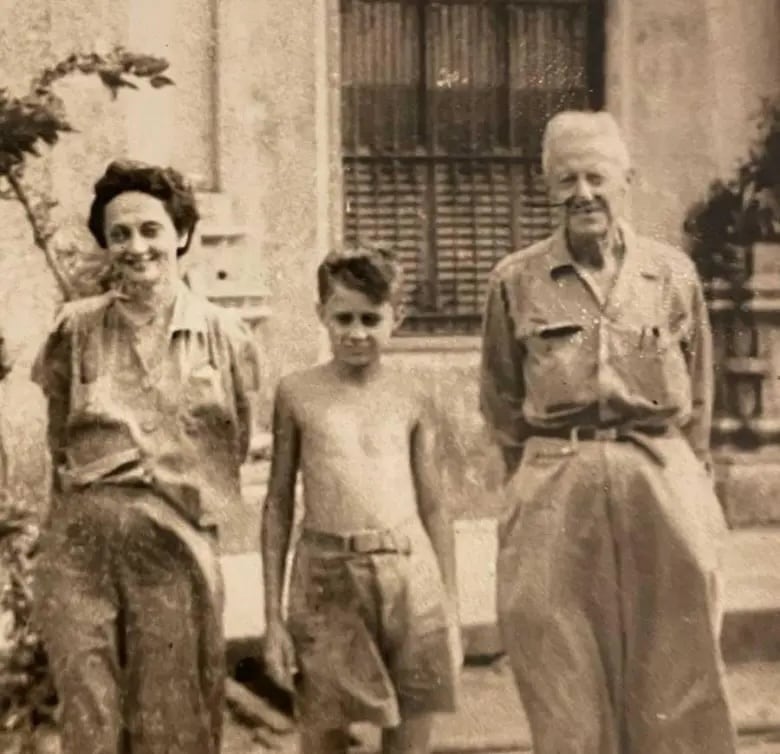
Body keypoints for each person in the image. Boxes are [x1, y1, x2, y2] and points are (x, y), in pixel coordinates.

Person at [479, 111, 737, 754]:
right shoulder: (516, 280)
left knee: (677, 669)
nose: (583, 193)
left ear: (628, 180)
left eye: (596, 177)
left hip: (659, 479)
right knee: (559, 669)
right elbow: (502, 400)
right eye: (566, 179)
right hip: (557, 484)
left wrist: (689, 488)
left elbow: (698, 395)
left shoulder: (672, 275)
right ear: (547, 187)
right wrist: (536, 484)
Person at [30, 160, 258, 754]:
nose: (136, 247)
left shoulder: (225, 334)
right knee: (90, 714)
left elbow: (233, 441)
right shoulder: (75, 330)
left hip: (175, 546)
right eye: (120, 233)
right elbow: (57, 439)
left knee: (173, 719)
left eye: (151, 230)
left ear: (181, 233)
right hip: (83, 545)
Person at [261, 245, 461, 754]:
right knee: (323, 731)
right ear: (321, 314)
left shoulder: (413, 394)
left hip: (408, 573)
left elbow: (434, 506)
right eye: (343, 318)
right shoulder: (297, 392)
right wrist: (272, 619)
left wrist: (451, 611)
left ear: (396, 318)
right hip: (326, 575)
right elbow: (278, 504)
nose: (356, 332)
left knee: (412, 727)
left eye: (371, 319)